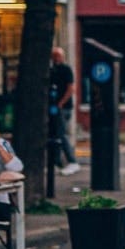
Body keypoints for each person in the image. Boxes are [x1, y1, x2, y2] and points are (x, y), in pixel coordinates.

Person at [49, 47, 80, 176]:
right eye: (54, 56)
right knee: (55, 134)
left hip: (63, 106)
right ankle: (57, 162)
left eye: (58, 56)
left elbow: (71, 88)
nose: (56, 58)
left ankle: (72, 161)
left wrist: (61, 103)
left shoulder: (66, 70)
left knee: (61, 134)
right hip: (54, 106)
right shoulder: (52, 70)